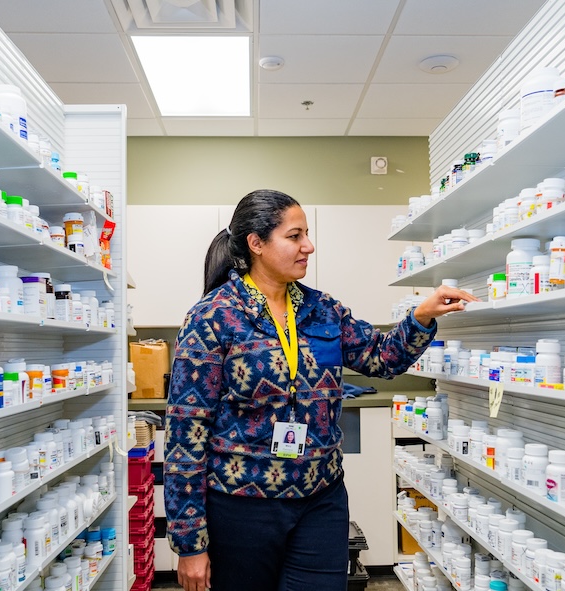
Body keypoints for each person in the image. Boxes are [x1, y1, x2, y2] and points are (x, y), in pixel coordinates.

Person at [164, 189, 478, 591]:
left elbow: (381, 358)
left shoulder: (322, 309)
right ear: (256, 244)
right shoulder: (213, 317)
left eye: (307, 234)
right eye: (294, 236)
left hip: (320, 499)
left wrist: (420, 317)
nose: (308, 246)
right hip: (242, 508)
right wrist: (190, 544)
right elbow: (185, 436)